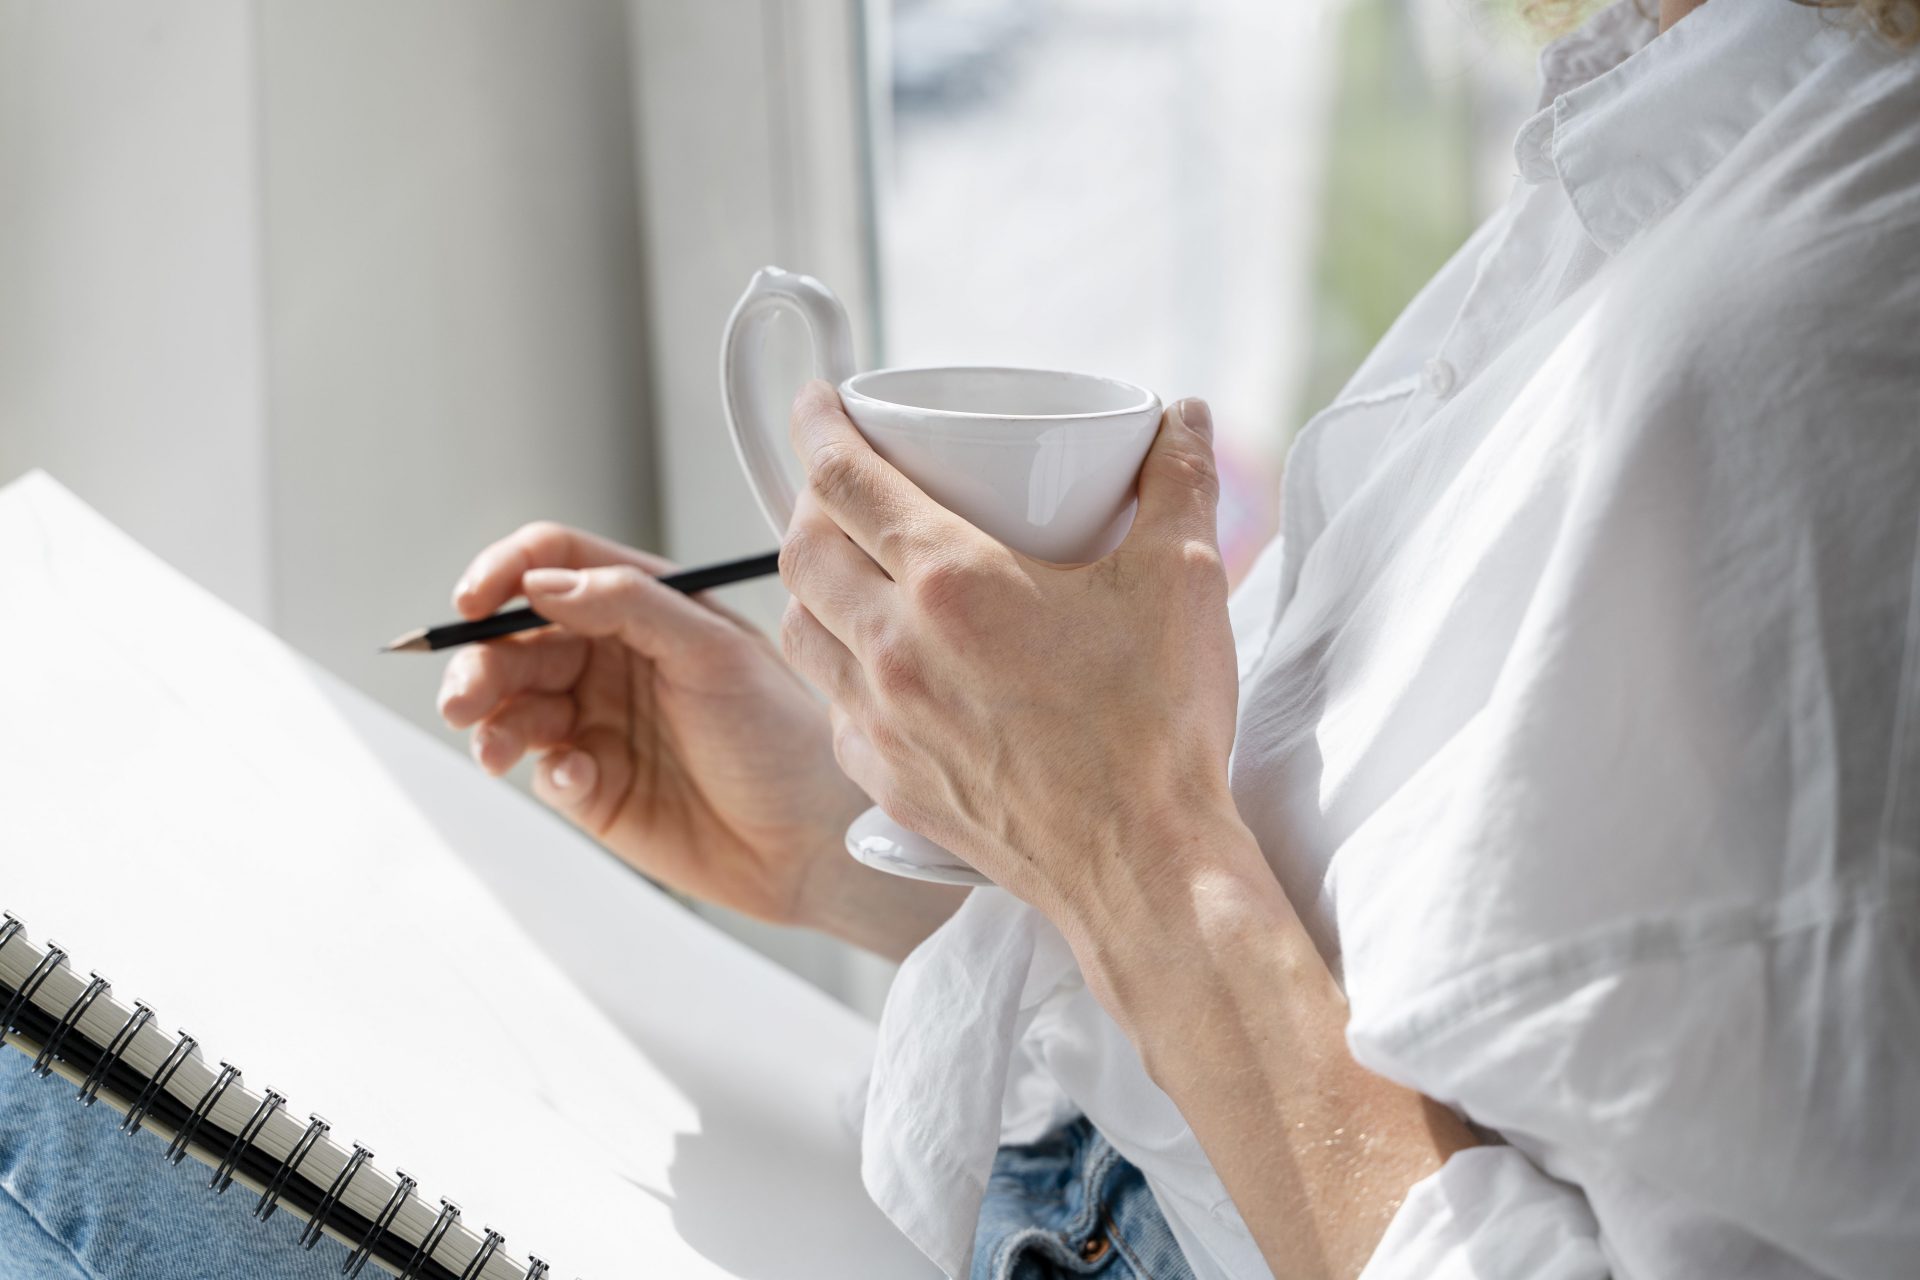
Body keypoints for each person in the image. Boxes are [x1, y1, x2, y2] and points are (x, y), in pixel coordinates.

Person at [2, 1, 1914, 1278]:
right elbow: (1507, 1022)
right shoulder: (1692, 133)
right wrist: (865, 841)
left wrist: (1123, 840)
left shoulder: (1825, 295)